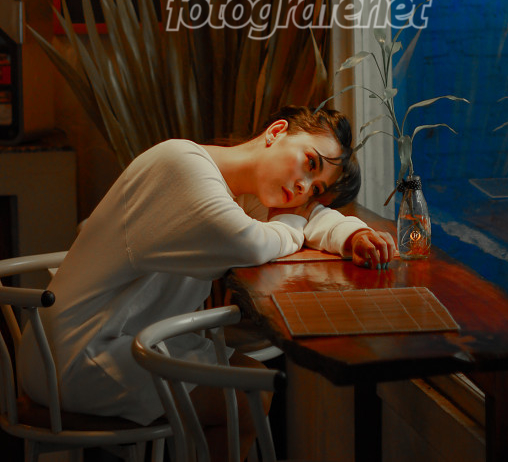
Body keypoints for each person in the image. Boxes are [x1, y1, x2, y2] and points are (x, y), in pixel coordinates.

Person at [18, 105, 395, 459]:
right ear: (276, 132)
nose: (304, 187)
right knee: (248, 397)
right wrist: (293, 224)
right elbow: (250, 242)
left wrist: (353, 235)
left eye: (315, 188)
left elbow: (308, 217)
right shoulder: (181, 166)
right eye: (310, 163)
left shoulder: (235, 188)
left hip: (119, 337)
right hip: (75, 354)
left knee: (254, 381)